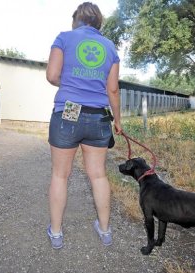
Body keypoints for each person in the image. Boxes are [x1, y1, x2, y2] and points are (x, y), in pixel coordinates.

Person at [45, 2, 122, 249]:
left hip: (69, 110)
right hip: (98, 116)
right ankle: (105, 230)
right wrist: (118, 120)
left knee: (60, 175)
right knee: (98, 175)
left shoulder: (64, 38)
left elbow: (52, 75)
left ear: (76, 19)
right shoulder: (110, 46)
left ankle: (56, 233)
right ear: (99, 22)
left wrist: (71, 85)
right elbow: (112, 89)